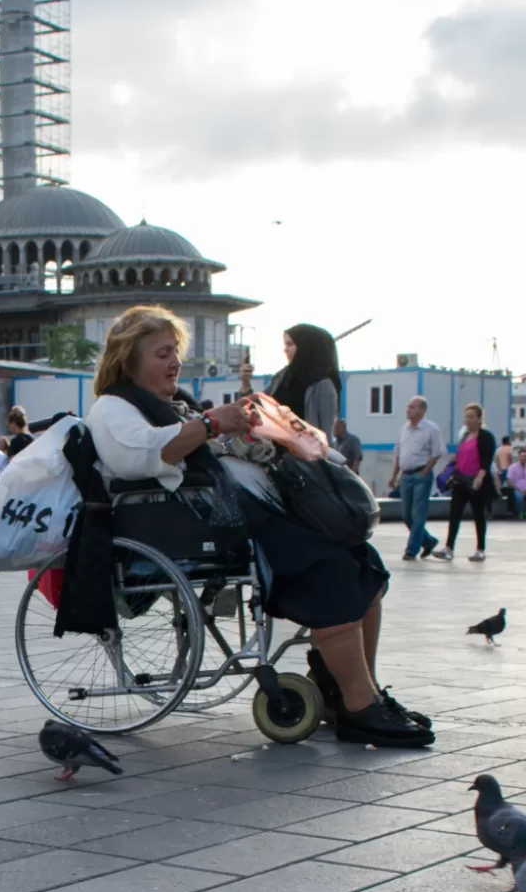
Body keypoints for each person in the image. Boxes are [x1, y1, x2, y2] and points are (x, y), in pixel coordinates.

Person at [85, 305, 432, 748]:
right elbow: (139, 456)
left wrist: (240, 433)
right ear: (129, 360)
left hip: (232, 514)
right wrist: (211, 423)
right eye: (161, 353)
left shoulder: (168, 403)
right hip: (199, 524)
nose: (174, 361)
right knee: (330, 571)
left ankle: (351, 692)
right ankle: (361, 708)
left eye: (175, 351)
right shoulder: (114, 408)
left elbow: (195, 442)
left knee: (361, 560)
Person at [432, 402, 496, 562]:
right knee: (454, 514)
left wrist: (480, 477)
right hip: (461, 480)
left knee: (478, 515)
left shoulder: (485, 436)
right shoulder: (465, 436)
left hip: (476, 482)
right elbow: (463, 457)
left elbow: (486, 460)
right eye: (466, 417)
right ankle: (448, 548)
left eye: (471, 417)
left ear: (479, 419)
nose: (468, 420)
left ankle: (480, 549)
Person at [388, 396, 445, 562]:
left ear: (422, 410)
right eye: (408, 407)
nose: (408, 410)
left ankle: (411, 550)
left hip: (421, 475)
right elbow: (399, 454)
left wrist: (425, 471)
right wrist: (394, 475)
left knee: (418, 514)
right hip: (406, 476)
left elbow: (436, 453)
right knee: (406, 515)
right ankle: (428, 541)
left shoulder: (431, 429)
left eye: (412, 407)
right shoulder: (404, 429)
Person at [265, 323, 340, 435]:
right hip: (272, 448)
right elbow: (260, 405)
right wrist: (245, 384)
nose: (285, 350)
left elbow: (326, 432)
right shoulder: (280, 378)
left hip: (303, 450)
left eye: (290, 344)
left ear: (304, 346)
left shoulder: (321, 384)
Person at [505, 446, 526, 517]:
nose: (523, 458)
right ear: (518, 457)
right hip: (516, 489)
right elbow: (510, 481)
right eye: (522, 456)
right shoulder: (512, 467)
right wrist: (520, 490)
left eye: (525, 456)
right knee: (519, 497)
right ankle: (519, 513)